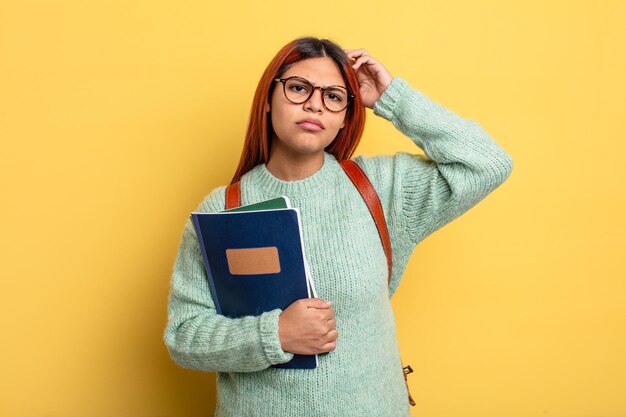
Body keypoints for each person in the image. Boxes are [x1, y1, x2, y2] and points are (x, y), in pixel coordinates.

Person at [164, 36, 513, 417]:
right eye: (298, 88)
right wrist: (275, 333)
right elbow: (184, 336)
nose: (315, 103)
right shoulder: (223, 209)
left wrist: (391, 98)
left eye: (333, 96)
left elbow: (488, 163)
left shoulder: (382, 188)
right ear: (267, 99)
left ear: (347, 113)